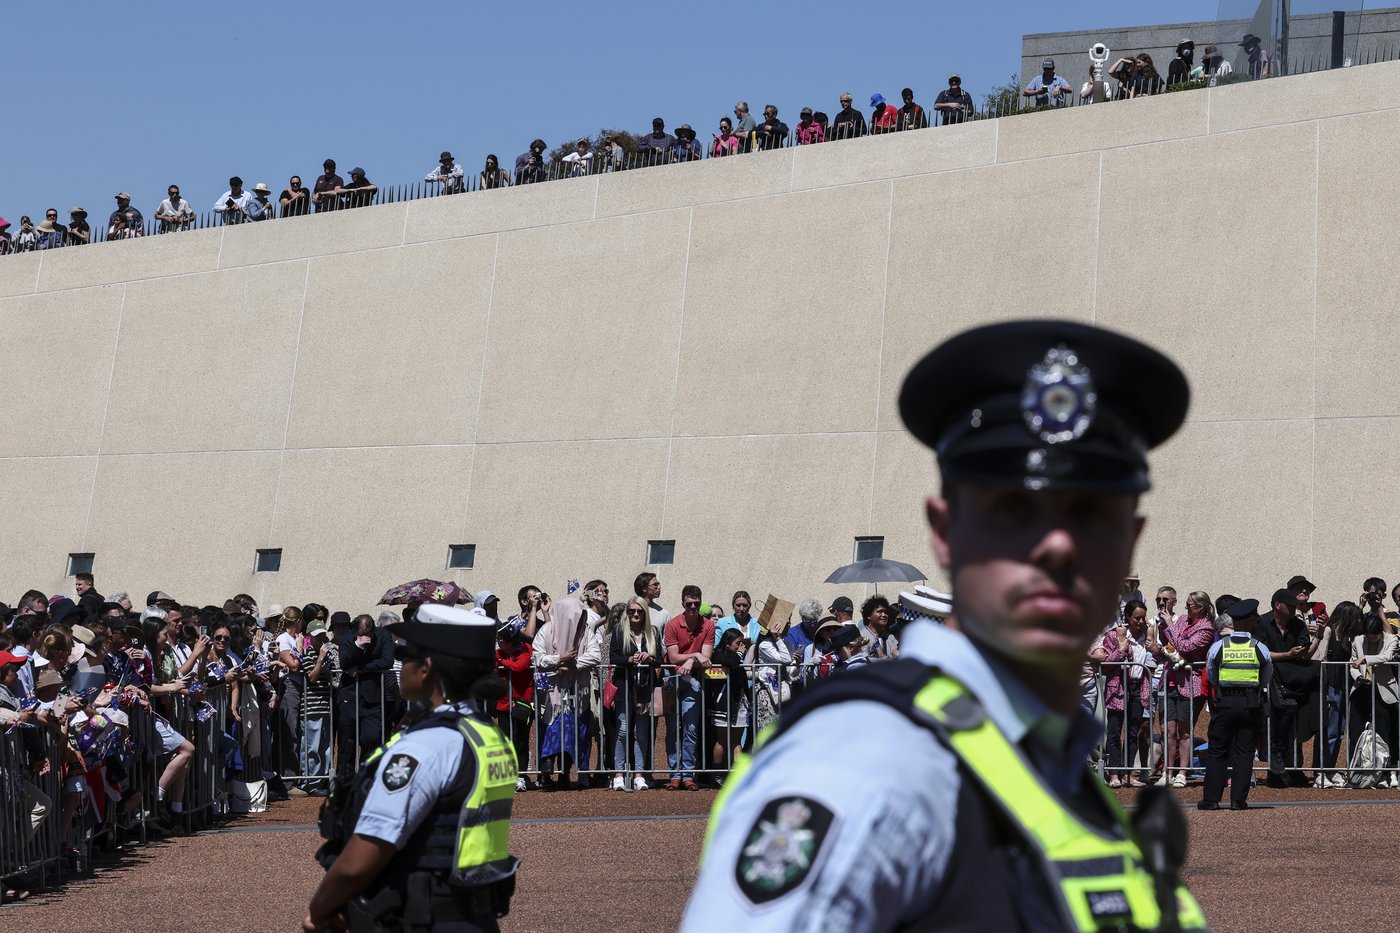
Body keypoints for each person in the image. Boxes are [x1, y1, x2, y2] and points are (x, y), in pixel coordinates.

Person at [684, 319, 1206, 931]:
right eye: (1015, 509)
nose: (1059, 546)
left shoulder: (1056, 772)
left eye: (1092, 513)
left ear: (1132, 542)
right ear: (944, 530)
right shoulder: (870, 761)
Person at [307, 604, 519, 933]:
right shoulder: (488, 736)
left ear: (426, 669)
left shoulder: (425, 745)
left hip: (423, 919)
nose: (400, 664)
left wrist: (320, 909)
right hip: (476, 916)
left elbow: (366, 851)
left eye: (406, 656)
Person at [1198, 598, 1272, 810]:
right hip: (1251, 703)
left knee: (1217, 750)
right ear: (1250, 621)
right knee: (1245, 751)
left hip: (1224, 703)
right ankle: (1238, 800)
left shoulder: (1218, 647)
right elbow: (1266, 677)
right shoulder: (1260, 648)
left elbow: (1212, 675)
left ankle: (1211, 799)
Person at [1255, 588, 1320, 786]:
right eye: (1290, 605)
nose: (1294, 608)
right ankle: (1277, 763)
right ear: (1277, 605)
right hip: (1270, 678)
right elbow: (1262, 653)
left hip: (1294, 679)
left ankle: (1292, 767)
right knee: (1279, 715)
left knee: (1295, 718)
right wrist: (1288, 655)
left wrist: (1294, 653)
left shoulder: (1298, 624)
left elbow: (1303, 650)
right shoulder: (1262, 623)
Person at [1156, 590, 1214, 787]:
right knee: (1168, 730)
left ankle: (1182, 772)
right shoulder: (1181, 620)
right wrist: (1168, 629)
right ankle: (1167, 771)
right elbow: (1169, 645)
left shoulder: (1206, 628)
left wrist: (1170, 628)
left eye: (1190, 605)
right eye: (1187, 605)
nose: (1187, 608)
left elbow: (1185, 646)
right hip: (1169, 679)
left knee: (1185, 730)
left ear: (1201, 607)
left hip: (1190, 684)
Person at [1095, 598, 1155, 787]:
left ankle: (1128, 773)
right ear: (1128, 617)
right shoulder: (1114, 636)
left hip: (1138, 687)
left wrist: (1152, 641)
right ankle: (1114, 774)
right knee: (1114, 731)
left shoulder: (1147, 636)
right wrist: (1121, 648)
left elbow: (1156, 656)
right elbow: (1106, 663)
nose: (1140, 622)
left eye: (1143, 618)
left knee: (1133, 732)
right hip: (1118, 687)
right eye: (1136, 618)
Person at [664, 586, 714, 789]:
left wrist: (691, 662)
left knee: (691, 728)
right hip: (672, 677)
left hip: (693, 679)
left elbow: (707, 658)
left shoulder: (708, 625)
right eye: (689, 603)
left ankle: (687, 774)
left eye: (696, 603)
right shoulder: (673, 624)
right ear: (683, 603)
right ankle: (674, 774)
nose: (693, 607)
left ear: (701, 602)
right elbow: (674, 657)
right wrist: (694, 656)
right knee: (673, 728)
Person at [610, 596, 660, 791]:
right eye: (632, 611)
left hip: (644, 688)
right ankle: (619, 774)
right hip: (624, 686)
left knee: (641, 732)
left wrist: (649, 658)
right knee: (623, 730)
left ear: (645, 613)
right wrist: (629, 659)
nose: (636, 614)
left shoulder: (653, 632)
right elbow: (614, 656)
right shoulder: (619, 631)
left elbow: (659, 660)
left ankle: (639, 774)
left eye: (639, 611)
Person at [1348, 613, 1399, 785]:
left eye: (1375, 638)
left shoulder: (1391, 639)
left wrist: (1366, 659)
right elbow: (1352, 663)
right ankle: (1357, 772)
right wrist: (1357, 676)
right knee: (1355, 730)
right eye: (1368, 638)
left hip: (1384, 690)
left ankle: (1386, 772)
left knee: (1385, 732)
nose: (1371, 641)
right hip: (1362, 688)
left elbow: (1387, 657)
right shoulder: (1357, 641)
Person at [494, 619, 534, 792]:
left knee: (521, 741)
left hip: (522, 703)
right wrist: (502, 662)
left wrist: (504, 664)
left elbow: (520, 666)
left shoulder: (526, 649)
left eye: (501, 638)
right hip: (504, 703)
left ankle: (521, 775)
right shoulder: (498, 653)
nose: (499, 641)